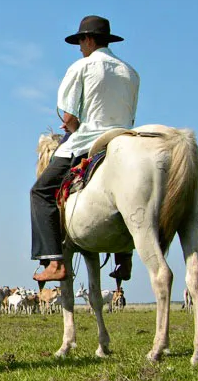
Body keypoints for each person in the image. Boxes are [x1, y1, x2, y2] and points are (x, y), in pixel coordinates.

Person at [31, 15, 140, 282]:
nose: (80, 47)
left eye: (81, 41)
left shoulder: (82, 67)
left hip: (88, 141)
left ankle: (54, 261)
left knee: (40, 193)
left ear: (89, 39)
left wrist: (70, 126)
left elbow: (69, 119)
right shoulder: (130, 72)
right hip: (125, 140)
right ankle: (124, 259)